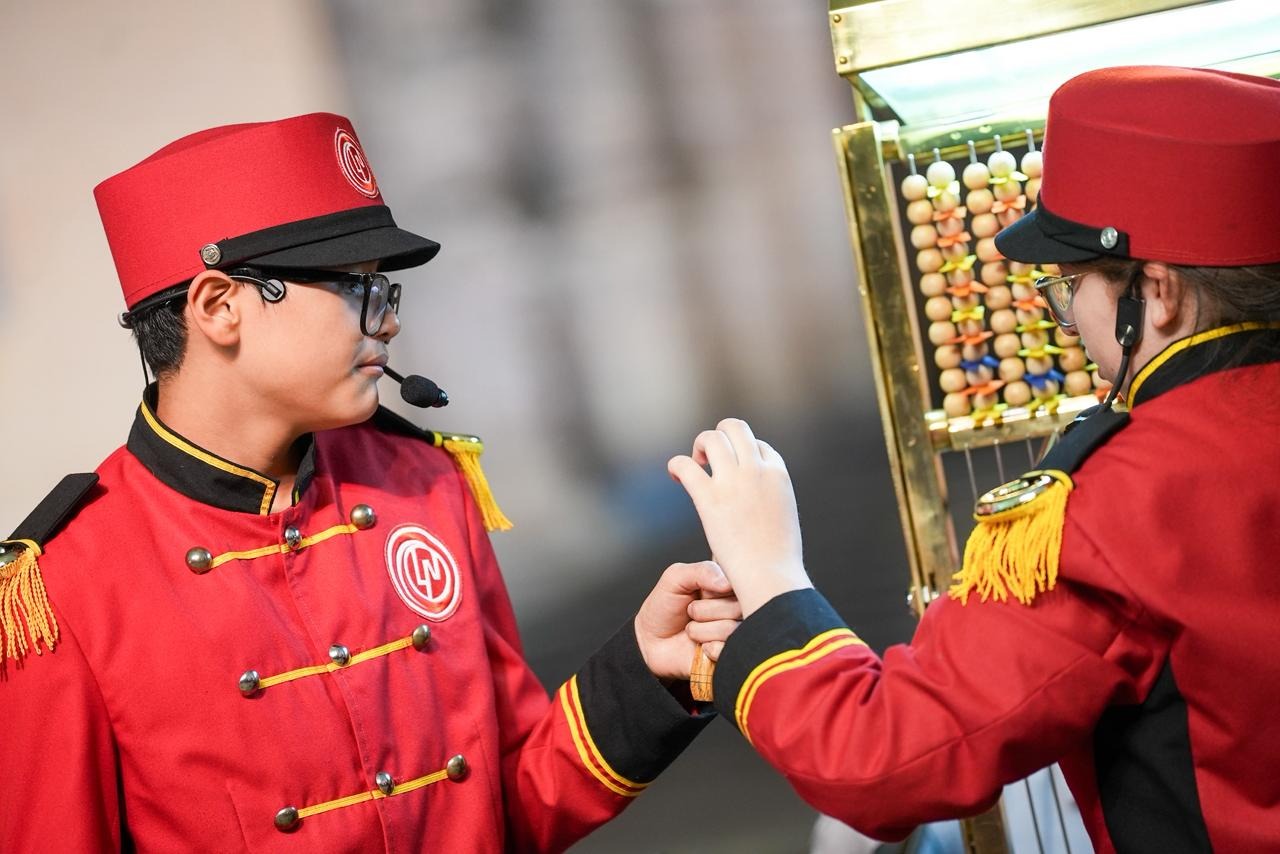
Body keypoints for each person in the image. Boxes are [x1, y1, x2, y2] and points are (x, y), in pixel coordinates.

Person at [0, 113, 740, 851]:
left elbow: (505, 802)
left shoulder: (424, 481)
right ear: (221, 308)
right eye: (357, 287)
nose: (386, 322)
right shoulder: (59, 589)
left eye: (384, 288)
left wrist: (647, 671)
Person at [667, 65, 1280, 852]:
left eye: (1072, 288)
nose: (1071, 321)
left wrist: (771, 577)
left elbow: (881, 759)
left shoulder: (1113, 505)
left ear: (1156, 293)